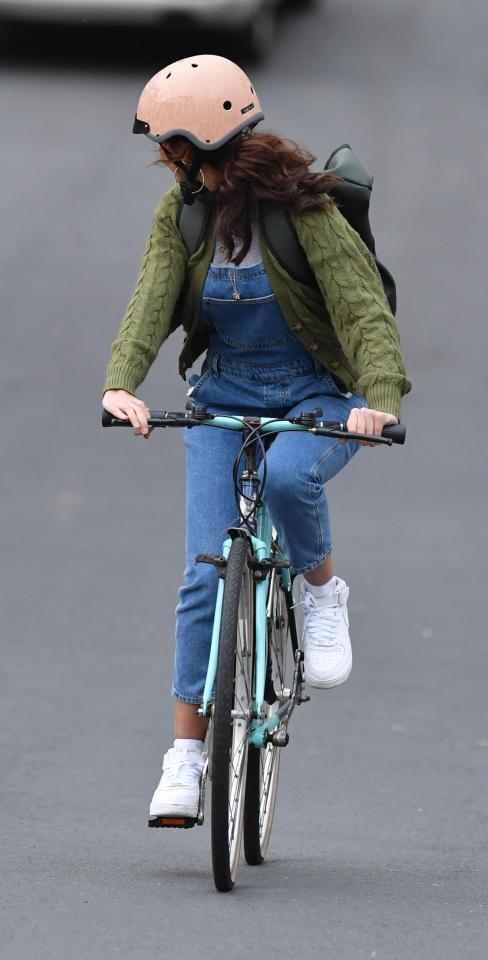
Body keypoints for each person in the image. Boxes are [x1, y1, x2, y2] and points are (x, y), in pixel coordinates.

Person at [102, 54, 411, 820]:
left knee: (284, 479)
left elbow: (364, 312)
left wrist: (377, 401)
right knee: (205, 573)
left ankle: (322, 590)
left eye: (181, 154)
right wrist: (122, 382)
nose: (175, 168)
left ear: (215, 145)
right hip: (222, 396)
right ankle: (184, 758)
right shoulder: (182, 214)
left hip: (313, 396)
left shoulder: (305, 211)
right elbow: (152, 300)